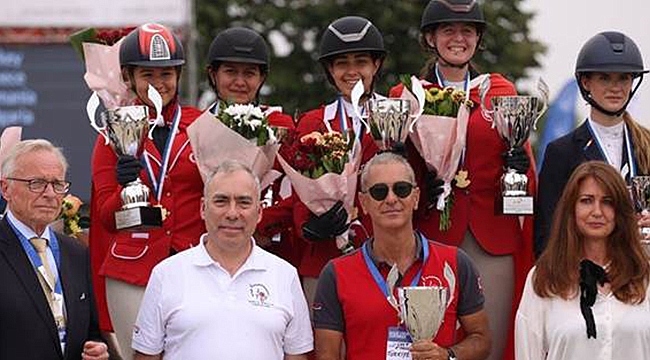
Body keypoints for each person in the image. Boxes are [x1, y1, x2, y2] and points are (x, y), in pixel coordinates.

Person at [389, 1, 536, 359]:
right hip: (429, 234)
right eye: (448, 30)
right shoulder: (407, 97)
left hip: (492, 236)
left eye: (467, 31)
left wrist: (517, 165)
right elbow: (394, 170)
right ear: (430, 38)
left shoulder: (500, 93)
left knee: (491, 341)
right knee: (427, 341)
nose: (458, 38)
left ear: (478, 39)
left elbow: (528, 177)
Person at [89, 23, 205, 359]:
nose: (159, 84)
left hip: (193, 262)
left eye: (166, 74)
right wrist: (126, 187)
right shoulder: (111, 133)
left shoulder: (201, 125)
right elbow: (106, 217)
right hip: (134, 269)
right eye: (148, 74)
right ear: (129, 77)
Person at [313, 152, 490, 360]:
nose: (391, 199)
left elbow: (482, 339)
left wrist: (448, 356)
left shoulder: (454, 262)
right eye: (379, 192)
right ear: (364, 203)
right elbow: (327, 356)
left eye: (401, 189)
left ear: (415, 198)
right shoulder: (336, 274)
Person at [131, 160, 313, 359]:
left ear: (259, 212)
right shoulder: (166, 274)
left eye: (244, 202)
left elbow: (297, 355)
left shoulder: (285, 275)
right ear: (203, 208)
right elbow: (146, 355)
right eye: (221, 201)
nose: (232, 213)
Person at [293, 15, 384, 308]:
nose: (352, 71)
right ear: (330, 70)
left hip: (382, 254)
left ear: (376, 65)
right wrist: (307, 226)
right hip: (323, 256)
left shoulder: (398, 114)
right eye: (342, 63)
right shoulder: (312, 122)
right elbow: (297, 192)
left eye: (361, 61)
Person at [516, 161, 650, 359]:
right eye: (587, 200)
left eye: (607, 201)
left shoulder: (644, 275)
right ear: (571, 209)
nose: (597, 212)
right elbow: (528, 353)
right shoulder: (544, 279)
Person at [536, 31, 650, 257]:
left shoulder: (646, 145)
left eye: (623, 78)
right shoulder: (561, 152)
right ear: (586, 82)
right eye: (605, 78)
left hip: (640, 268)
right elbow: (547, 231)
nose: (616, 87)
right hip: (582, 272)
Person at [0, 139, 109, 360]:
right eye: (37, 183)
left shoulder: (76, 253)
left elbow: (92, 330)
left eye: (58, 184)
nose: (50, 194)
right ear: (6, 189)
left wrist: (97, 349)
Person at [204, 26, 300, 266]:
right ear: (213, 74)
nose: (239, 81)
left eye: (249, 73)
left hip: (273, 251)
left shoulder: (281, 126)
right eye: (230, 72)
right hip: (210, 248)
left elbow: (300, 191)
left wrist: (259, 224)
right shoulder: (195, 129)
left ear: (262, 78)